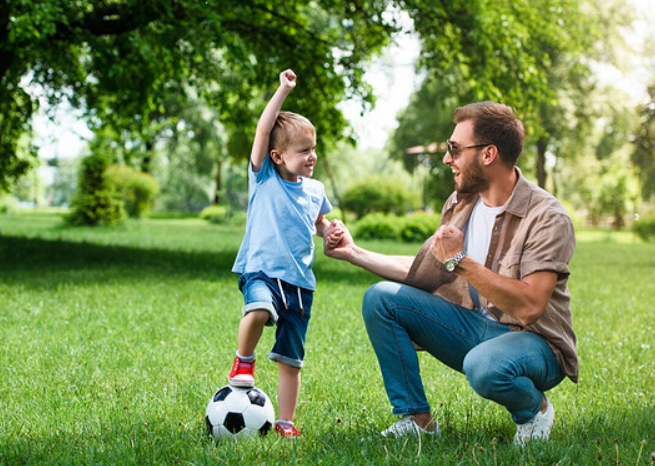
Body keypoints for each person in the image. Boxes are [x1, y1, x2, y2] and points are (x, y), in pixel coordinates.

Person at [323, 101, 577, 445]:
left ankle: (534, 409)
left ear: (488, 154)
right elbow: (425, 268)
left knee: (484, 366)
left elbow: (530, 305)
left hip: (536, 344)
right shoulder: (461, 203)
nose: (447, 159)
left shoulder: (547, 217)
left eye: (454, 149)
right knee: (381, 299)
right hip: (476, 327)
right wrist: (353, 253)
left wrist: (460, 259)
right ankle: (417, 419)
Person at [229, 69, 342, 438]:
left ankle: (286, 422)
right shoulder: (263, 178)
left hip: (300, 284)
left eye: (313, 149)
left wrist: (330, 230)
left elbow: (319, 221)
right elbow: (263, 130)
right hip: (262, 271)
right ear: (277, 156)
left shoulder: (314, 189)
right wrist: (283, 90)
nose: (312, 156)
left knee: (291, 361)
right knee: (259, 310)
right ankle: (243, 362)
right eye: (303, 150)